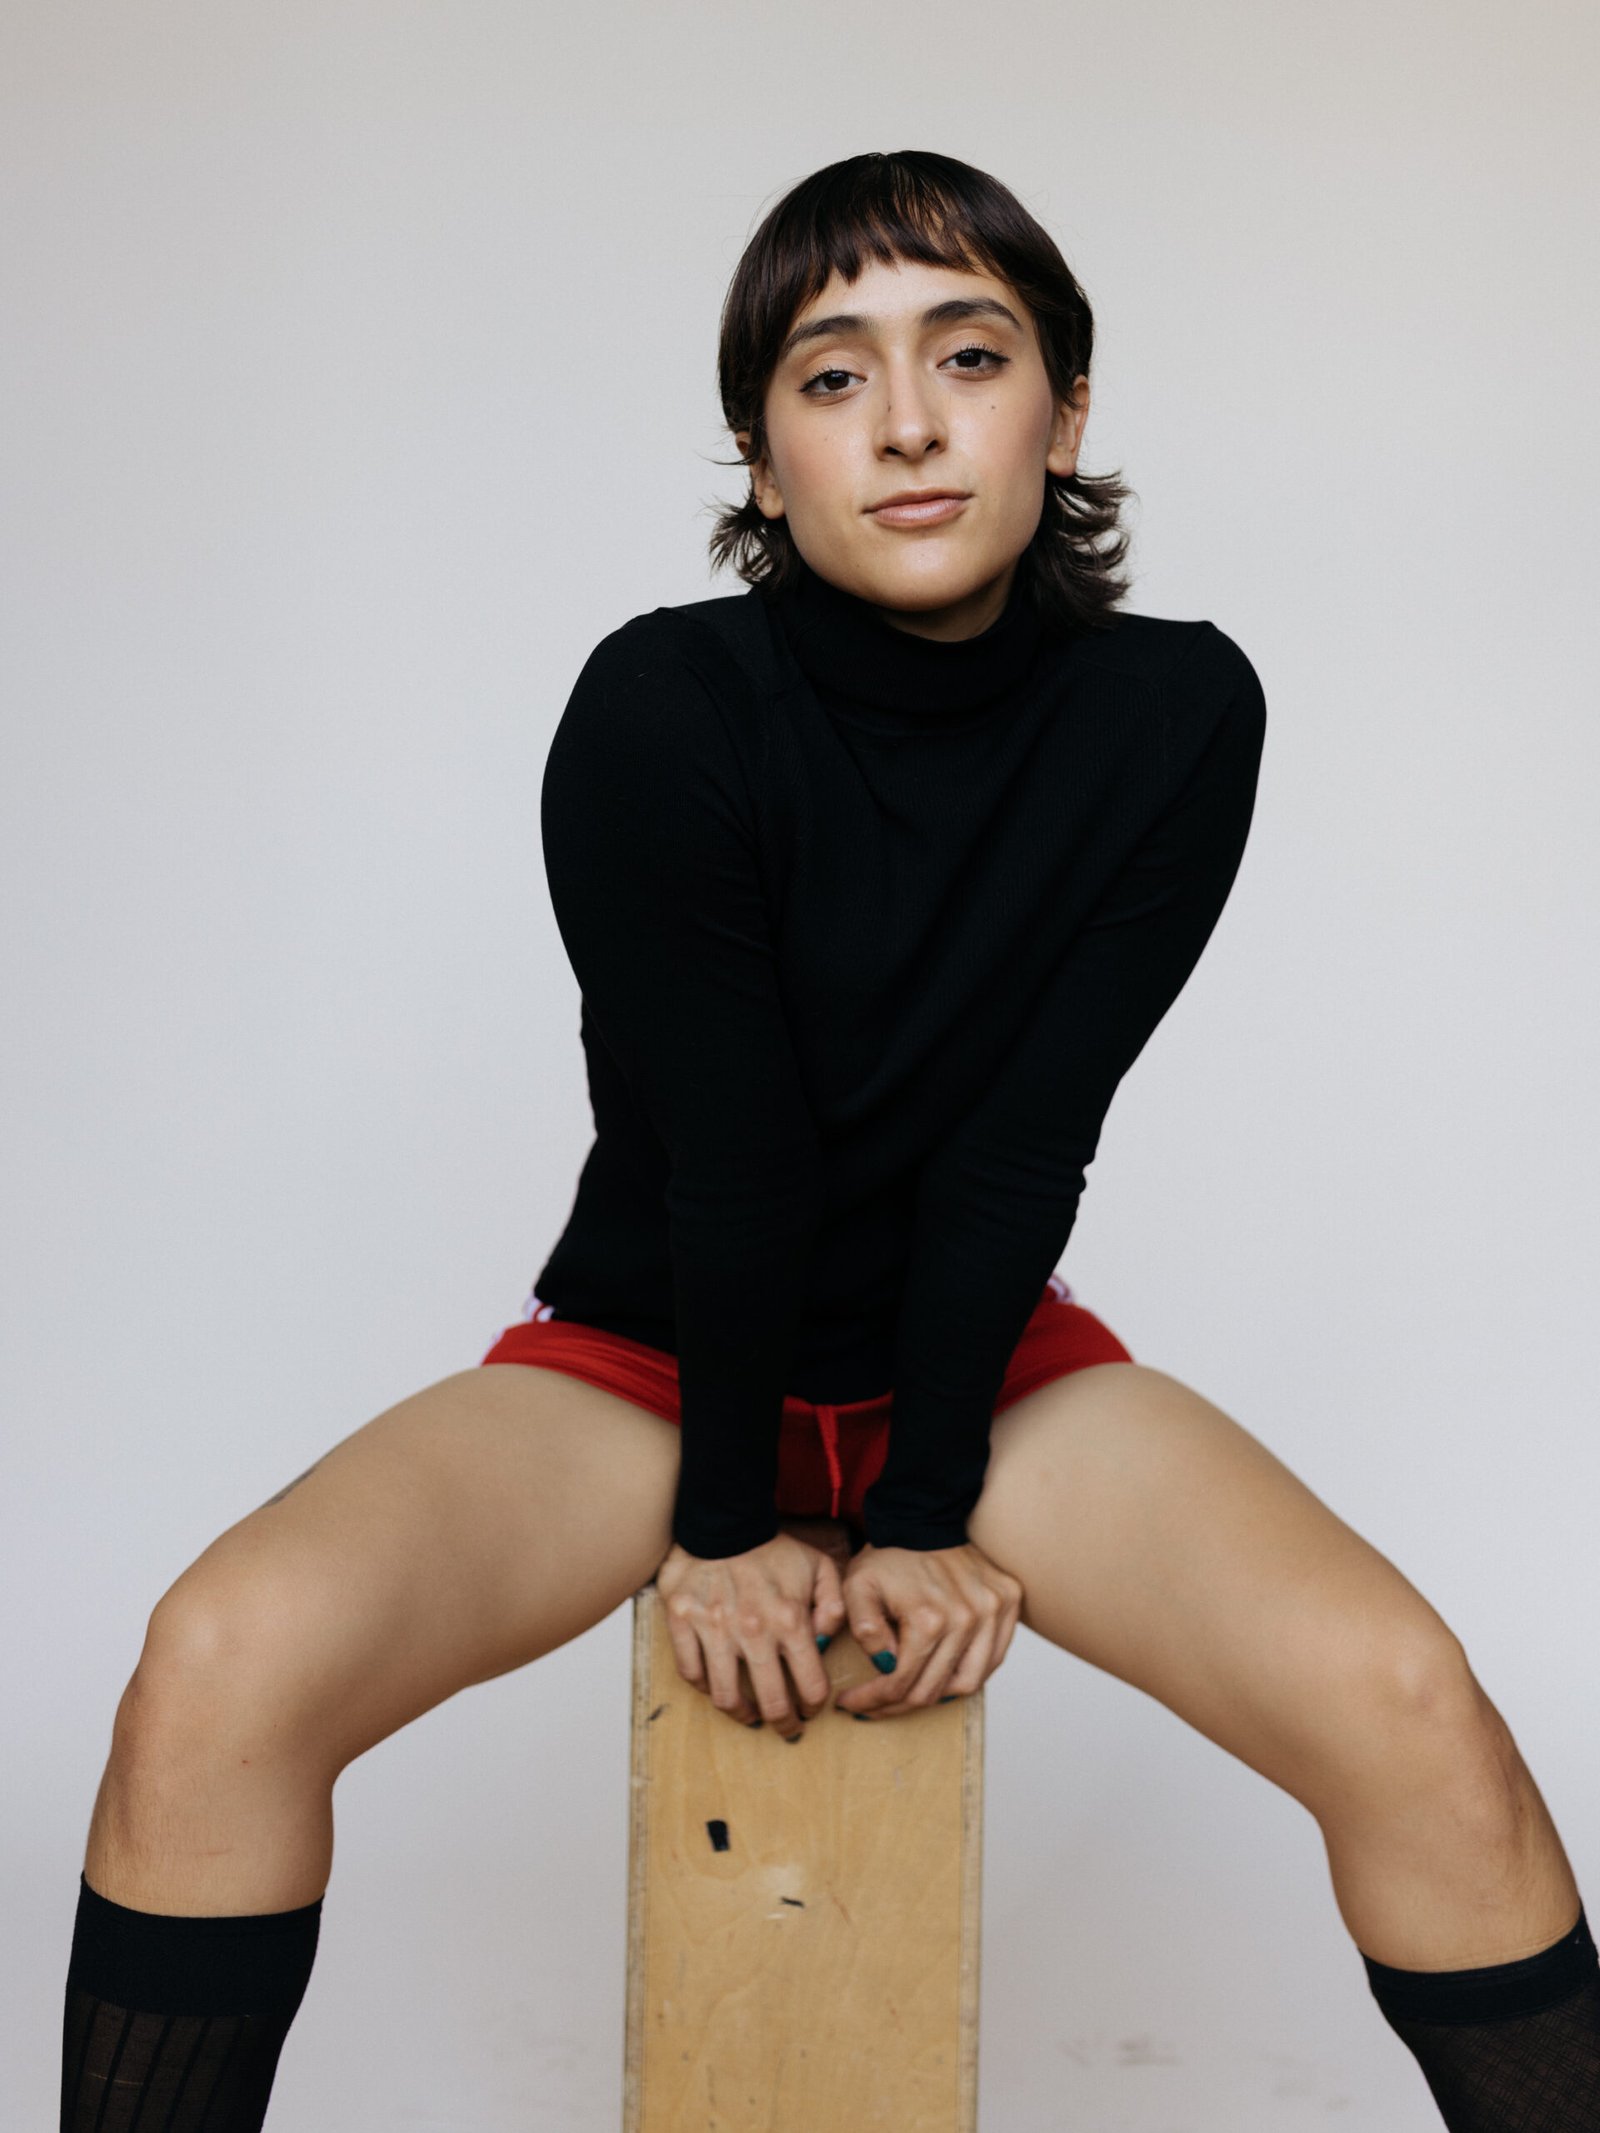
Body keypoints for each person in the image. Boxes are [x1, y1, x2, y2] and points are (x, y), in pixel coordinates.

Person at [60, 150, 1599, 2132]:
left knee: (1408, 1699)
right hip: (652, 1355)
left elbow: (1023, 1139)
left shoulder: (1176, 709)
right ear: (762, 455)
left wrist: (932, 1497)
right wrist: (722, 1522)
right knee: (218, 1656)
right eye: (831, 374)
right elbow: (736, 1156)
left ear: (1064, 413)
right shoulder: (663, 701)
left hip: (985, 1361)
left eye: (970, 353)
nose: (907, 421)